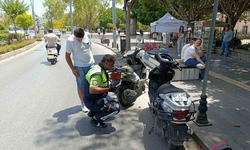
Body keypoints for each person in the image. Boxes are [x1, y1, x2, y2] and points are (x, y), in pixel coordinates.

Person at [84, 54, 120, 128]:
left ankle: (94, 112)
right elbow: (92, 90)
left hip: (97, 97)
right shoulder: (98, 73)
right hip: (92, 101)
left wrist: (111, 86)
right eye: (112, 64)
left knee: (115, 101)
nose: (113, 66)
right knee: (116, 108)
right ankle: (96, 119)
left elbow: (101, 83)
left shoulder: (99, 67)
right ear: (106, 63)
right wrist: (109, 89)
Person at [65, 27, 95, 112]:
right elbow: (67, 57)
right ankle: (83, 103)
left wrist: (90, 57)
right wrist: (73, 69)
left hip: (90, 64)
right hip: (79, 66)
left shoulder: (88, 35)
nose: (80, 40)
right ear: (74, 35)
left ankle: (92, 100)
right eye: (78, 39)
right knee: (81, 85)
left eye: (81, 38)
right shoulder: (70, 41)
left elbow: (89, 47)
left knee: (93, 83)